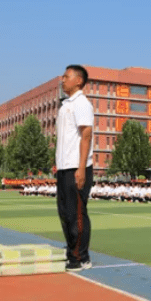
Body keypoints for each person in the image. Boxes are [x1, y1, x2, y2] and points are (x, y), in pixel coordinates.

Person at [55, 65, 95, 272]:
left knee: (76, 213)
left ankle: (80, 257)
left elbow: (85, 135)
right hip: (63, 167)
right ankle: (73, 251)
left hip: (76, 167)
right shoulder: (66, 105)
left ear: (78, 81)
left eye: (66, 76)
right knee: (65, 212)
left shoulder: (81, 104)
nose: (62, 80)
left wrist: (81, 168)